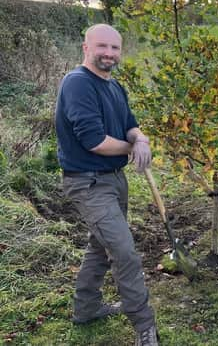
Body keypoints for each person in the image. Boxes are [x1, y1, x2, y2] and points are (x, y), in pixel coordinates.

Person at [55, 24, 159, 345]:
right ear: (85, 47)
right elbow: (95, 141)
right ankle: (145, 326)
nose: (109, 54)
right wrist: (134, 148)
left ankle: (86, 309)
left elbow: (130, 125)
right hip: (88, 182)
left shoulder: (115, 87)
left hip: (114, 179)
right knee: (124, 252)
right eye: (102, 46)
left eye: (115, 48)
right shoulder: (77, 84)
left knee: (100, 246)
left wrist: (139, 137)